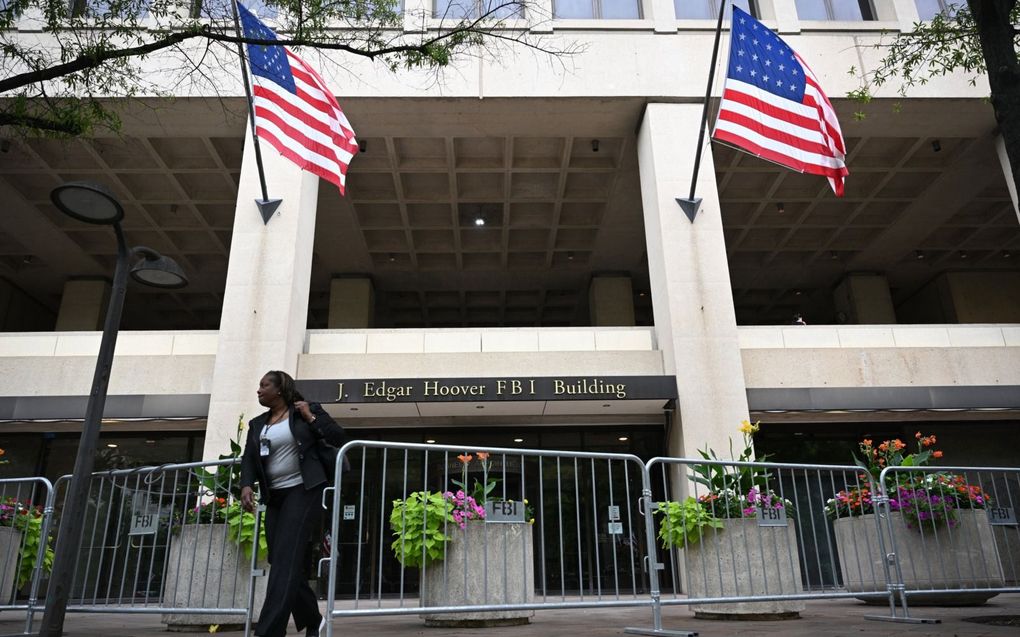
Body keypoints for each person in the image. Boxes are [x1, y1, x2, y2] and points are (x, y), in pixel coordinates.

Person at [240, 370, 346, 637]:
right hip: (275, 496)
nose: (259, 390)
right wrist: (245, 486)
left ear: (279, 389)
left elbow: (338, 438)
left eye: (264, 385)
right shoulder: (257, 424)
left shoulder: (305, 411)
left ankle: (268, 631)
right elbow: (249, 459)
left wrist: (311, 418)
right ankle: (313, 618)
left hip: (304, 490)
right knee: (280, 559)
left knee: (286, 559)